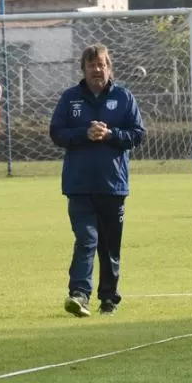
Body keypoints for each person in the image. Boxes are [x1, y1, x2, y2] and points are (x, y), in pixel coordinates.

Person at [50, 44, 145, 317]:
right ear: (84, 69)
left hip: (113, 184)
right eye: (92, 65)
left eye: (102, 64)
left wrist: (110, 134)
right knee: (86, 239)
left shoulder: (124, 98)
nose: (97, 69)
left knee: (109, 246)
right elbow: (56, 133)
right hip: (78, 184)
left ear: (109, 67)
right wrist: (84, 133)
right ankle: (79, 294)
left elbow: (137, 135)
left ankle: (108, 300)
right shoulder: (70, 99)